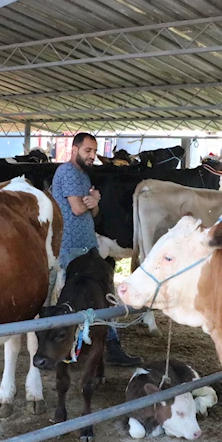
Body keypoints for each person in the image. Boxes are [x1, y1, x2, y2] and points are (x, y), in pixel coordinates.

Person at [52, 132, 142, 366]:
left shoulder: (83, 175)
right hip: (70, 247)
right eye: (87, 151)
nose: (92, 156)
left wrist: (94, 202)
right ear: (74, 150)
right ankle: (65, 349)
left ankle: (110, 345)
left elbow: (93, 213)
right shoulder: (68, 172)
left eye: (94, 151)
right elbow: (78, 209)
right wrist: (91, 200)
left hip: (88, 245)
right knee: (71, 299)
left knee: (103, 293)